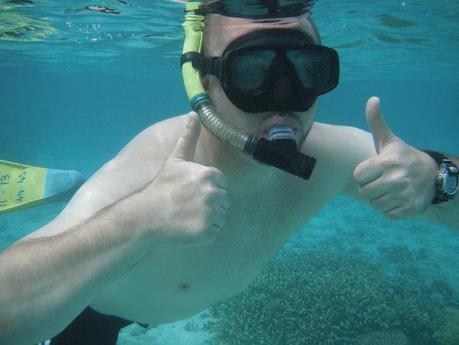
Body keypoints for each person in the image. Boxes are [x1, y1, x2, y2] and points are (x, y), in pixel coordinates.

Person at [1, 2, 458, 345]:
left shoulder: (334, 155)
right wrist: (137, 219)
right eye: (253, 72)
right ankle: (76, 192)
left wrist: (438, 179)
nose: (284, 98)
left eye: (306, 70)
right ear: (205, 81)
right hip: (94, 310)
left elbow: (445, 198)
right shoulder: (152, 167)